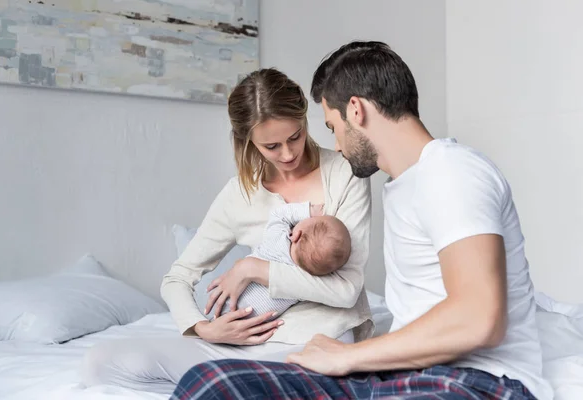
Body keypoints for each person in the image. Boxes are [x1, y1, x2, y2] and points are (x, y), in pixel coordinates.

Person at [171, 41, 554, 400]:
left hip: (476, 379)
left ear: (356, 110)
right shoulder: (403, 187)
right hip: (402, 374)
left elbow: (478, 319)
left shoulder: (451, 172)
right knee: (210, 382)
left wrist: (350, 356)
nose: (335, 144)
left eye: (332, 127)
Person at [80, 68, 373, 395]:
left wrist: (254, 269)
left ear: (304, 119)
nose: (288, 154)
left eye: (295, 137)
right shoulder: (239, 194)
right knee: (100, 361)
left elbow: (346, 291)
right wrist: (203, 328)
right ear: (247, 142)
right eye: (272, 146)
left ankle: (225, 384)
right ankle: (223, 383)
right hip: (241, 345)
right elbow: (177, 277)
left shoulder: (345, 174)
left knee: (240, 384)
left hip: (318, 340)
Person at [216, 201, 352, 321]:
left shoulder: (277, 237)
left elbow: (279, 214)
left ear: (296, 235)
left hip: (224, 294)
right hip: (246, 321)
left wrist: (309, 210)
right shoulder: (304, 283)